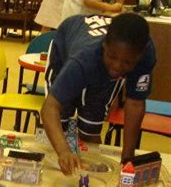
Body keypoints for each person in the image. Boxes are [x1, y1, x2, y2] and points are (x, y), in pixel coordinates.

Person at [41, 13, 156, 176]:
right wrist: (63, 151)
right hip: (69, 52)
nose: (117, 66)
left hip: (99, 70)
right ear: (104, 46)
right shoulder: (83, 59)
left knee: (90, 127)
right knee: (61, 122)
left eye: (127, 62)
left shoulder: (145, 53)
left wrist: (128, 158)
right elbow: (50, 108)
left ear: (140, 55)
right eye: (112, 57)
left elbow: (135, 103)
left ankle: (92, 175)